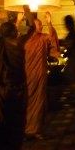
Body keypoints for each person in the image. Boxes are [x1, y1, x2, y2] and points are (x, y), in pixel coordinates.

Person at [0, 6, 34, 150]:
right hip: (18, 89)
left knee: (2, 118)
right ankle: (14, 145)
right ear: (15, 33)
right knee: (17, 119)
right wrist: (27, 11)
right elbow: (32, 28)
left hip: (3, 89)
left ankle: (1, 144)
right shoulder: (19, 44)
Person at [19, 12, 60, 140]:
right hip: (27, 74)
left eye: (41, 24)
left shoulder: (43, 37)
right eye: (38, 24)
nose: (41, 26)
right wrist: (18, 21)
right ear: (32, 26)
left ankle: (36, 129)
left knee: (39, 101)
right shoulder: (24, 39)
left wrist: (49, 23)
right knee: (27, 101)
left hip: (39, 73)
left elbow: (53, 40)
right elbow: (11, 40)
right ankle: (26, 129)